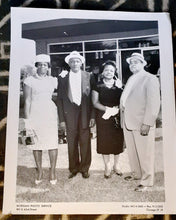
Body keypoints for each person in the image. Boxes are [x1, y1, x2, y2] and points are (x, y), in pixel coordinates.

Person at [120, 53, 160, 192]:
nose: (133, 64)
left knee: (145, 153)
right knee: (133, 152)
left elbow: (154, 103)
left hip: (141, 122)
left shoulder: (150, 78)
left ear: (143, 64)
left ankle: (147, 181)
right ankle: (137, 174)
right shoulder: (131, 78)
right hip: (129, 121)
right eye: (131, 62)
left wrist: (147, 123)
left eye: (136, 62)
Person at [57, 51, 95, 179]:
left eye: (77, 61)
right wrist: (61, 119)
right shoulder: (62, 78)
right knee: (71, 142)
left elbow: (93, 99)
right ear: (69, 63)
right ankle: (73, 168)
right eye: (72, 61)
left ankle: (85, 168)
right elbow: (60, 99)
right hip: (69, 113)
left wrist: (93, 117)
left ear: (81, 63)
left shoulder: (89, 76)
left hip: (84, 112)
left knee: (85, 141)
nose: (75, 63)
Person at [23, 54, 58, 185]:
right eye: (40, 64)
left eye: (45, 65)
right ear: (36, 66)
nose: (43, 67)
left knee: (52, 142)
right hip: (35, 113)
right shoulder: (29, 80)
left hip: (49, 113)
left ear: (48, 67)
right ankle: (39, 171)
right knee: (36, 142)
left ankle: (52, 171)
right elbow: (27, 100)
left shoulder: (53, 80)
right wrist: (27, 120)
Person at [92, 60, 124, 178]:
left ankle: (116, 165)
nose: (109, 72)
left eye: (111, 70)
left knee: (117, 141)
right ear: (103, 72)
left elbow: (124, 100)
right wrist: (107, 110)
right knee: (104, 142)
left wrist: (121, 88)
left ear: (114, 72)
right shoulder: (97, 85)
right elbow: (95, 102)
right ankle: (107, 166)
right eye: (106, 70)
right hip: (103, 117)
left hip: (116, 117)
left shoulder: (119, 84)